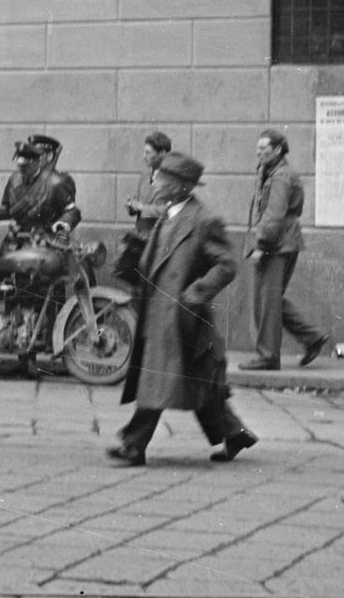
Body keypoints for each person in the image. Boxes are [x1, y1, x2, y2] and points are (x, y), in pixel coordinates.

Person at [109, 152, 255, 466]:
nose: (154, 183)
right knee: (197, 381)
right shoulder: (166, 215)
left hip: (183, 315)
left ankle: (133, 444)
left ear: (179, 186)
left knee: (159, 378)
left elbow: (227, 265)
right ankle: (234, 433)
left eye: (160, 179)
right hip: (158, 312)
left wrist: (196, 293)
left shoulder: (203, 220)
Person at [241, 128, 327, 371]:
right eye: (257, 148)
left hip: (276, 244)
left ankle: (268, 357)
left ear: (277, 150)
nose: (258, 153)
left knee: (266, 301)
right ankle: (312, 337)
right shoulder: (271, 171)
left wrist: (261, 246)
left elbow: (274, 214)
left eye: (263, 149)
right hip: (280, 242)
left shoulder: (281, 176)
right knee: (271, 298)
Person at [0, 135, 80, 239]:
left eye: (40, 155)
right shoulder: (14, 179)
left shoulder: (57, 182)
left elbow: (72, 211)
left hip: (44, 239)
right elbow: (9, 209)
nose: (21, 169)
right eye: (20, 165)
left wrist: (63, 224)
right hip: (15, 238)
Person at [125, 130, 173, 231]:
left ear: (162, 153)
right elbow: (137, 202)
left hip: (159, 239)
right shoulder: (144, 176)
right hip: (141, 237)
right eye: (144, 152)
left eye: (148, 153)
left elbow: (169, 210)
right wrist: (132, 206)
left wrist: (143, 208)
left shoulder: (172, 179)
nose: (144, 156)